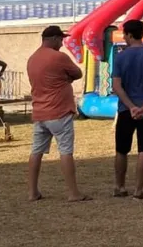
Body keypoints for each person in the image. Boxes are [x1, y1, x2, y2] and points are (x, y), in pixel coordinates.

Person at [26, 25, 90, 202]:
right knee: (65, 151)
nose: (62, 43)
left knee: (36, 151)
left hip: (40, 112)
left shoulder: (32, 59)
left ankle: (32, 192)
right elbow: (77, 73)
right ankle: (73, 193)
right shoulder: (58, 57)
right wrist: (66, 79)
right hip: (59, 111)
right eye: (61, 39)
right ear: (53, 39)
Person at [111, 19, 143, 200]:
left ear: (129, 35)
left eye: (124, 34)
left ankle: (119, 186)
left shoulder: (120, 57)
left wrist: (131, 106)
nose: (124, 37)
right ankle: (138, 190)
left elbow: (117, 86)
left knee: (121, 149)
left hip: (126, 109)